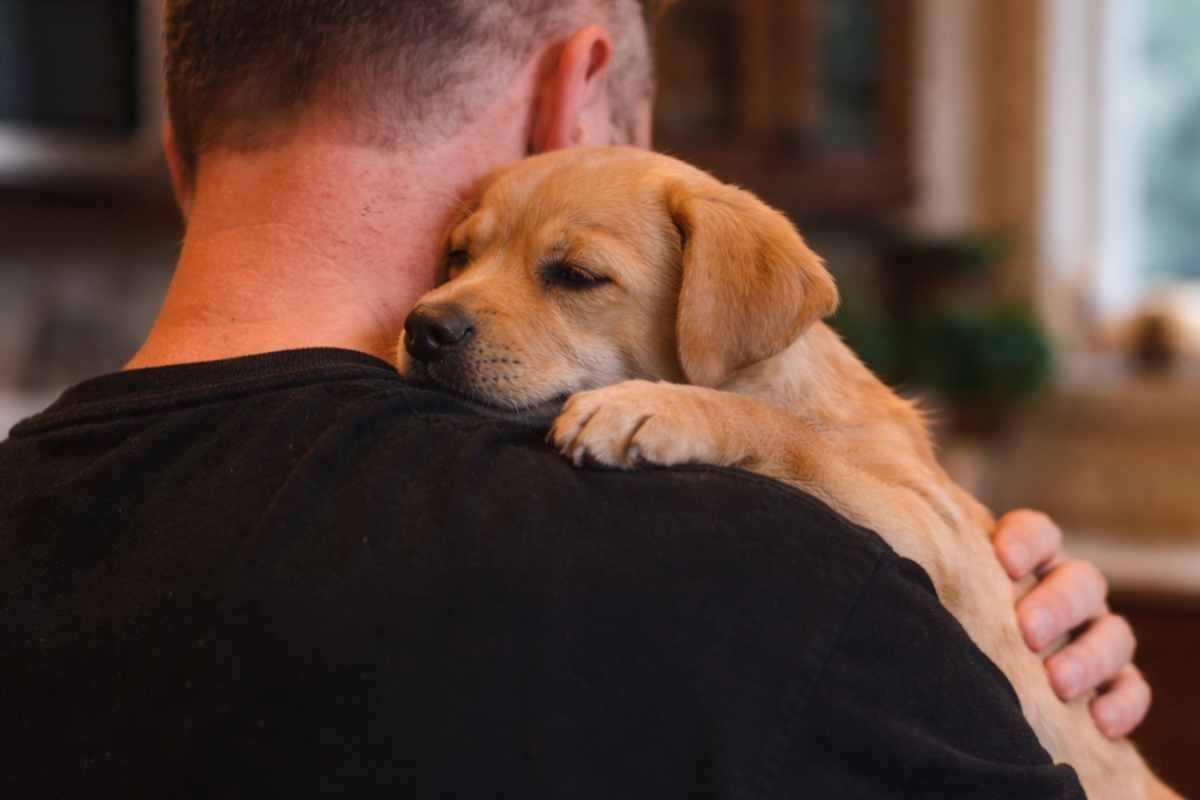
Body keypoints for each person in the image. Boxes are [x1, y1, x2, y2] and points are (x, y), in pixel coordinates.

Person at [0, 1, 1147, 796]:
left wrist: (971, 625)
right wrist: (947, 675)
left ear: (178, 155)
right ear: (577, 94)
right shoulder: (777, 585)